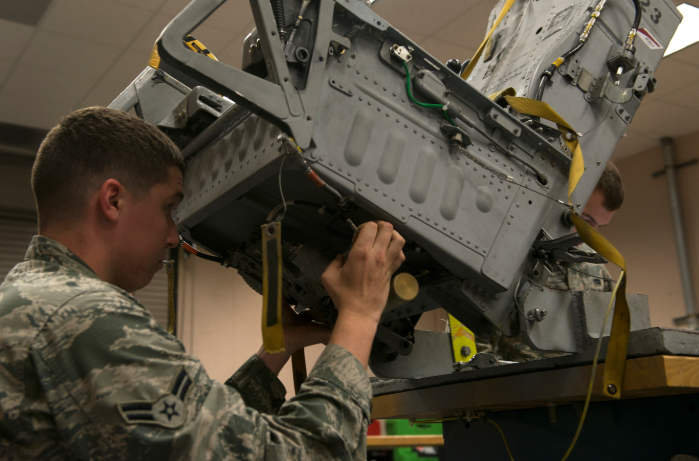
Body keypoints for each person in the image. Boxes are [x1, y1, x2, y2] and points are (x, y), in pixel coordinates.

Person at [0, 107, 406, 460]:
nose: (174, 236)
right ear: (113, 201)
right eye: (168, 208)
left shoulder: (30, 304)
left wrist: (276, 349)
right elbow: (309, 453)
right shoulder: (84, 317)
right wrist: (359, 313)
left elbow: (178, 441)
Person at [479, 162, 625, 361]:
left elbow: (607, 334)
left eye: (599, 227)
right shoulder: (511, 253)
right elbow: (477, 330)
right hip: (512, 384)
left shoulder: (595, 268)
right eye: (586, 221)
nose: (590, 236)